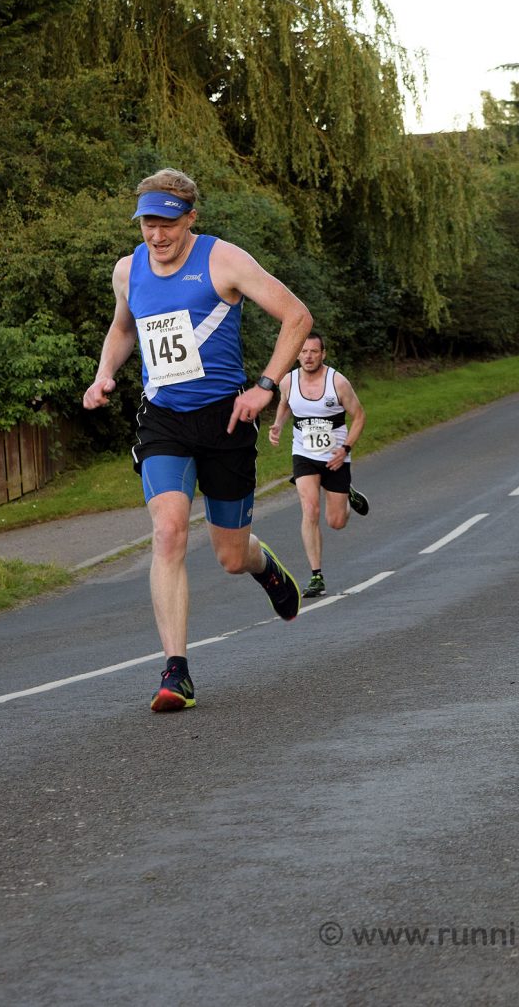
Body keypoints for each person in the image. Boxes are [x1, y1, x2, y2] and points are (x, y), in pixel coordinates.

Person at [83, 168, 312, 713]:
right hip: (164, 419)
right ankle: (176, 672)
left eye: (167, 223)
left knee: (230, 555)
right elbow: (123, 328)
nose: (156, 235)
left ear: (190, 218)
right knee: (168, 532)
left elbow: (297, 316)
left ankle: (263, 566)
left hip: (225, 420)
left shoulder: (223, 260)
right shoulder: (128, 270)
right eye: (147, 224)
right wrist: (103, 374)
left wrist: (265, 386)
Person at [268, 332, 369, 598]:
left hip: (335, 456)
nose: (309, 357)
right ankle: (316, 576)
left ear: (323, 354)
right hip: (304, 454)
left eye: (314, 351)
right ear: (297, 355)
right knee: (310, 509)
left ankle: (347, 495)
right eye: (304, 352)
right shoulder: (288, 381)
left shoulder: (338, 382)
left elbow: (359, 416)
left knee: (336, 522)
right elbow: (285, 405)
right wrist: (278, 425)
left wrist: (346, 449)